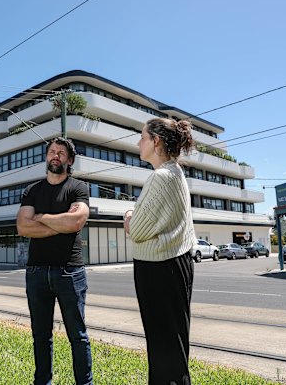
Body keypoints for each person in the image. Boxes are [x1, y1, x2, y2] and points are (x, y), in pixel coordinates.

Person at [123, 117, 197, 385]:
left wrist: (130, 215)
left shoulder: (160, 177)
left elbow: (139, 229)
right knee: (173, 343)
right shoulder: (175, 173)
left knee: (163, 346)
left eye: (142, 136)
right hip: (173, 264)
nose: (138, 142)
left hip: (158, 269)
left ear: (156, 141)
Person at [17, 137, 92, 385]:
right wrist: (60, 223)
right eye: (52, 152)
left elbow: (75, 222)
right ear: (47, 157)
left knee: (77, 336)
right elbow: (23, 227)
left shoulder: (78, 188)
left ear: (70, 160)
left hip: (70, 271)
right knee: (41, 335)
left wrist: (41, 217)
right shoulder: (32, 191)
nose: (55, 156)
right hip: (36, 272)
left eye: (61, 153)